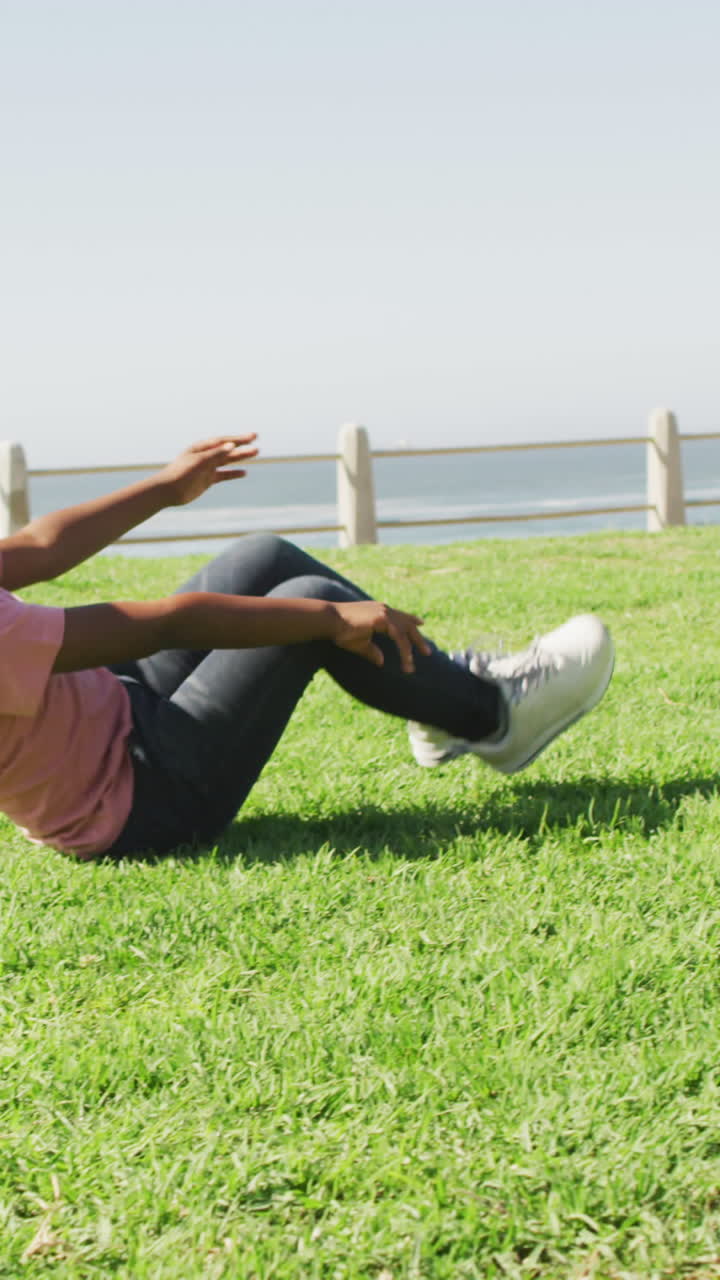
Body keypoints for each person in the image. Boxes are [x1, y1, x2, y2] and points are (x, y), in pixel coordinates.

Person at [0, 433, 614, 861]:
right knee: (311, 604)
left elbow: (41, 546)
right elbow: (163, 625)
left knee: (263, 557)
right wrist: (327, 615)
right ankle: (495, 716)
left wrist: (166, 487)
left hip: (118, 708)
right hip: (140, 797)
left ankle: (443, 708)